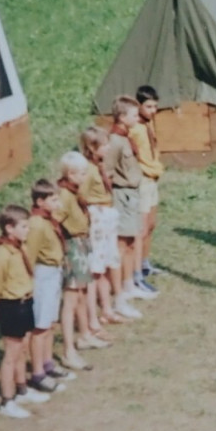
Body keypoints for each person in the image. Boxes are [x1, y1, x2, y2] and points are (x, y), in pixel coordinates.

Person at [0, 204, 48, 419]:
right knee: (11, 355)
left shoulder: (20, 247)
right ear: (9, 228)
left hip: (25, 302)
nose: (28, 230)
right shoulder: (3, 253)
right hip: (11, 305)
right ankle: (6, 401)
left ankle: (21, 389)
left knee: (23, 350)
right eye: (23, 226)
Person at [56, 151, 108, 357]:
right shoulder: (63, 195)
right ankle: (69, 348)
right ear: (69, 173)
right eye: (81, 173)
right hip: (73, 246)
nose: (85, 177)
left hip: (83, 241)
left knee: (83, 291)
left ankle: (85, 334)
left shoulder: (74, 190)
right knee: (71, 298)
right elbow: (55, 222)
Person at [23, 179, 72, 394]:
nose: (58, 202)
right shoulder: (36, 224)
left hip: (54, 273)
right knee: (40, 327)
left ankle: (47, 362)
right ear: (40, 201)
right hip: (42, 275)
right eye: (53, 199)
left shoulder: (48, 219)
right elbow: (29, 256)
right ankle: (37, 373)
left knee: (50, 323)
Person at [77, 127, 125, 332]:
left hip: (106, 217)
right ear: (91, 147)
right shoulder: (87, 170)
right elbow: (82, 196)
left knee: (104, 267)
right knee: (95, 270)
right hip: (97, 218)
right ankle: (92, 318)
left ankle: (107, 309)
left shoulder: (99, 165)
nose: (107, 148)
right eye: (103, 145)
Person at [105, 97, 148, 319]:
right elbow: (107, 171)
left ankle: (129, 283)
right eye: (133, 115)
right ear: (122, 118)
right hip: (122, 196)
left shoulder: (125, 138)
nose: (137, 118)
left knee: (132, 242)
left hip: (132, 195)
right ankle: (119, 294)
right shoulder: (114, 141)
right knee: (121, 244)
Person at [129, 86, 165, 294]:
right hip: (142, 180)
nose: (153, 110)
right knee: (141, 229)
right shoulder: (135, 129)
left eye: (155, 106)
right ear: (139, 105)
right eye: (149, 106)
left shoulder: (148, 125)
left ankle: (144, 262)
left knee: (150, 224)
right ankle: (135, 275)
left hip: (153, 178)